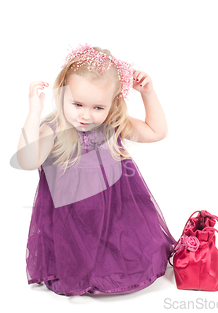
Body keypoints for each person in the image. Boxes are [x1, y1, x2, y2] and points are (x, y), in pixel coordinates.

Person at [16, 43, 177, 296]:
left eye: (98, 108)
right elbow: (27, 161)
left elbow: (157, 132)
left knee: (124, 255)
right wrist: (34, 111)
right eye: (77, 104)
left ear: (112, 104)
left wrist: (148, 93)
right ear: (62, 94)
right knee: (78, 258)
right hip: (70, 221)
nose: (86, 116)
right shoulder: (55, 127)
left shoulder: (113, 123)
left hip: (115, 214)